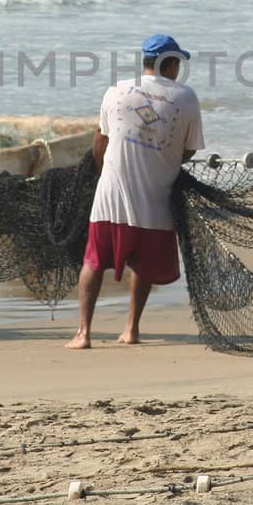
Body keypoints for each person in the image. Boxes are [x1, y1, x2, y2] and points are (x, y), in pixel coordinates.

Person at [67, 34, 204, 349]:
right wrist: (163, 159)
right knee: (142, 265)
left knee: (93, 261)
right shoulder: (185, 96)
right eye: (177, 63)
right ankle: (131, 330)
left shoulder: (116, 90)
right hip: (156, 199)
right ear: (168, 64)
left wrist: (105, 173)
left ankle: (83, 334)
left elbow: (100, 141)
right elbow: (189, 149)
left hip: (109, 197)